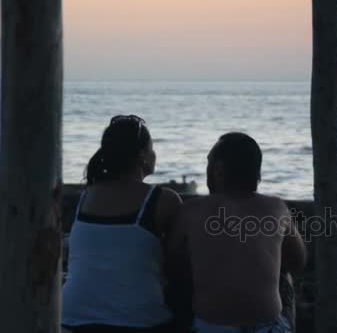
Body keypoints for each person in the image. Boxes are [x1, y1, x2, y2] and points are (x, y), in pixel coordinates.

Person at [169, 132, 307, 333]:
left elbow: (171, 264)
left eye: (208, 163)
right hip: (266, 326)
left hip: (212, 326)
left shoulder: (191, 211)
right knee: (284, 278)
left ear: (218, 170)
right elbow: (298, 260)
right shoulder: (276, 208)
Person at [62, 115, 183, 333]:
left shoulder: (86, 196)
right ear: (142, 156)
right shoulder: (163, 200)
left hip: (71, 317)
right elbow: (179, 263)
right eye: (152, 148)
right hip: (139, 320)